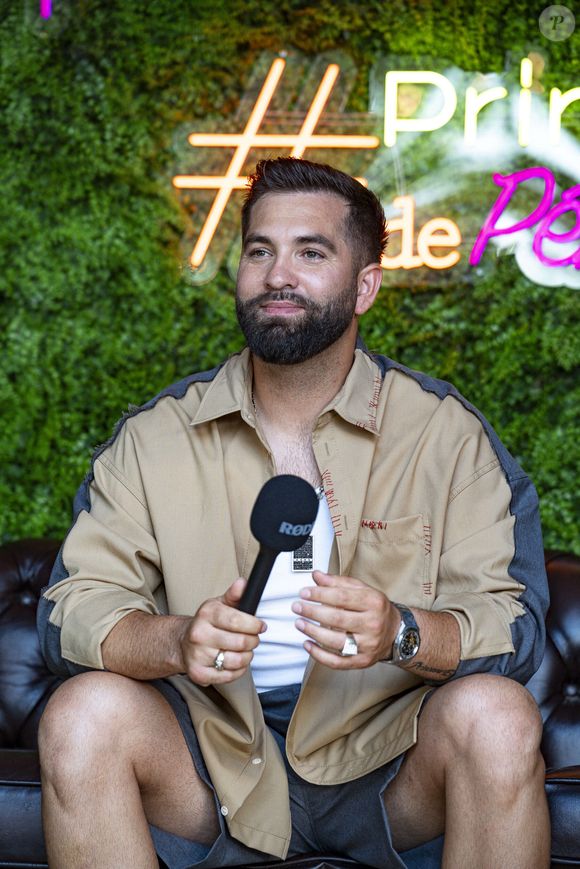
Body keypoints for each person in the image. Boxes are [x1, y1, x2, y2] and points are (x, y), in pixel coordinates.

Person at [37, 157, 550, 869]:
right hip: (208, 757)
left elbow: (516, 628)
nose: (279, 274)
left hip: (388, 760)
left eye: (312, 252)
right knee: (81, 713)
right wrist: (177, 639)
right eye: (259, 251)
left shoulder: (446, 435)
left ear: (365, 284)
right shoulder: (156, 436)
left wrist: (401, 631)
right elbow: (71, 612)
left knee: (497, 714)